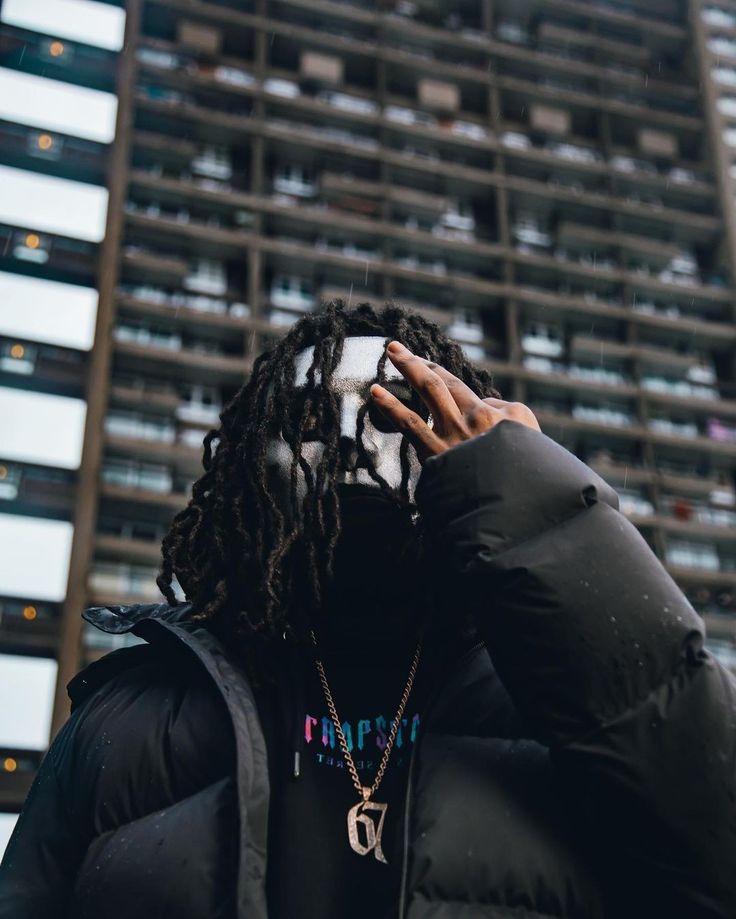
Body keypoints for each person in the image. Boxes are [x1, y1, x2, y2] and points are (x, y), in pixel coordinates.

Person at [1, 299, 735, 919]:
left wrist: (537, 511)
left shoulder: (553, 692)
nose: (353, 444)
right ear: (253, 463)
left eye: (394, 413)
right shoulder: (125, 720)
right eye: (314, 419)